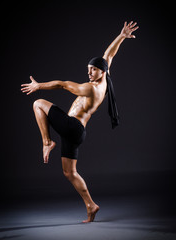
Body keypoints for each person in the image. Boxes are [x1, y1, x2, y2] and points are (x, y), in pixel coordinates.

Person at [21, 21, 139, 223]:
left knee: (38, 103)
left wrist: (39, 85)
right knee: (69, 172)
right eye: (88, 69)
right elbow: (108, 55)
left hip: (72, 125)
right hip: (77, 132)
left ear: (101, 72)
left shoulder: (91, 89)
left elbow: (63, 84)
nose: (89, 72)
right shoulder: (103, 80)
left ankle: (47, 142)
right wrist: (121, 36)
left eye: (93, 70)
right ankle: (91, 205)